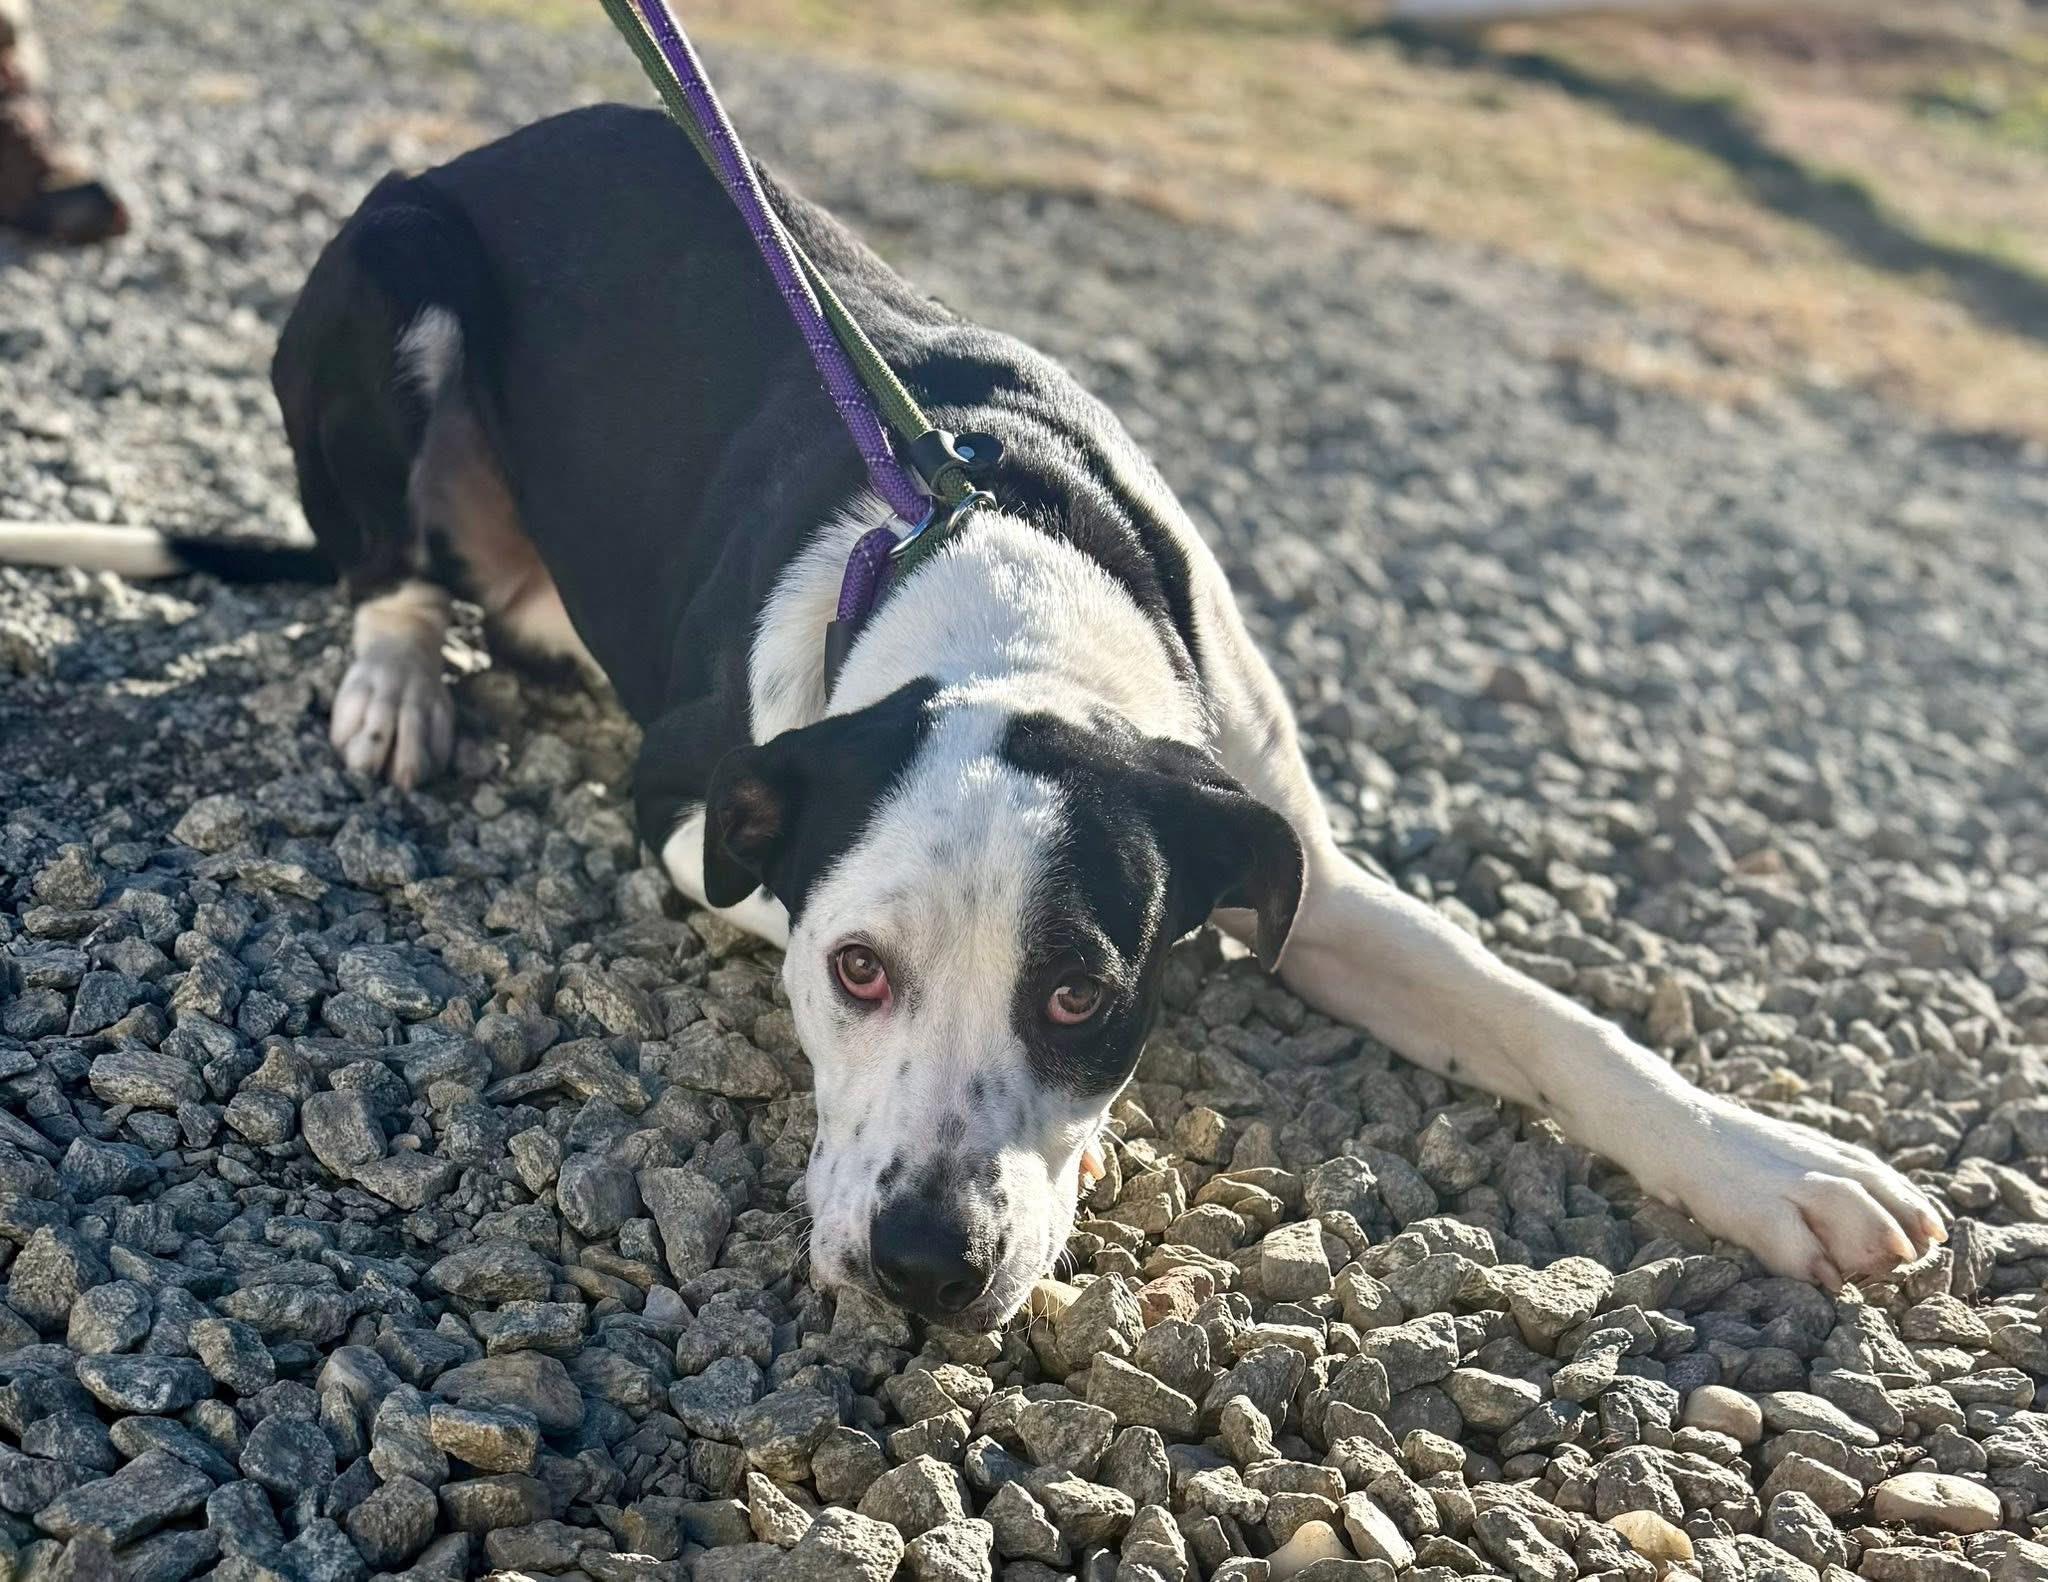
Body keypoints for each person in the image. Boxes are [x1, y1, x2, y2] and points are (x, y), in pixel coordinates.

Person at [0, 0, 126, 244]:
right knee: (95, 203)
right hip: (21, 197)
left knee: (97, 200)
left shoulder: (18, 86)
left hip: (35, 183)